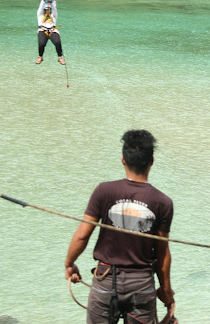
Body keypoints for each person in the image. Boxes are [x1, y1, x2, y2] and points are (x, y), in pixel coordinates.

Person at [65, 130, 177, 324]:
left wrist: (69, 263)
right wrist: (166, 290)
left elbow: (83, 235)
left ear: (123, 160)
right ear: (151, 161)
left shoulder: (104, 191)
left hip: (105, 279)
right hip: (141, 283)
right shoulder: (163, 202)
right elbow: (162, 252)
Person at [36, 0, 65, 65]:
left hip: (52, 30)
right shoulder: (40, 16)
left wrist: (53, 0)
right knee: (41, 43)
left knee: (57, 42)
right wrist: (43, 0)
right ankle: (40, 56)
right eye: (45, 10)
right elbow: (40, 8)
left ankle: (60, 57)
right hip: (43, 30)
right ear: (44, 10)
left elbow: (55, 9)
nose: (47, 11)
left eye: (48, 9)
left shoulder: (53, 16)